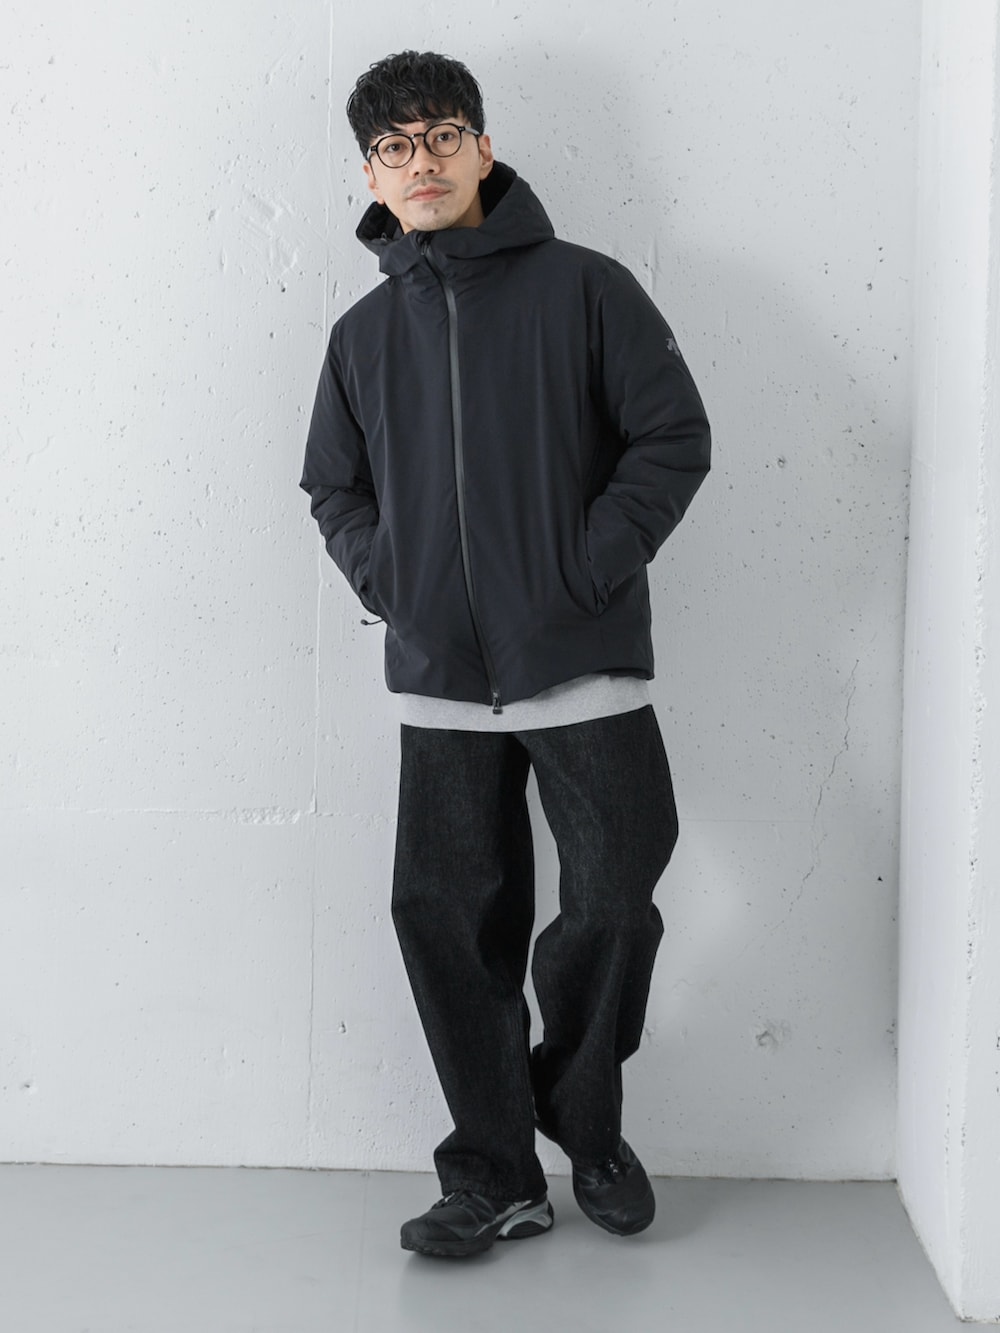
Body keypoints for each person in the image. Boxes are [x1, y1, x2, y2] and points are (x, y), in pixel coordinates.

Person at [300, 50, 711, 1259]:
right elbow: (334, 487)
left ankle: (583, 1115)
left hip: (581, 661)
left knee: (615, 896)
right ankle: (492, 1175)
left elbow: (671, 436)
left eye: (440, 136)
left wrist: (584, 569)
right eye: (392, 147)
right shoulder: (361, 334)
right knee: (446, 924)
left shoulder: (586, 288)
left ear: (481, 147)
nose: (418, 162)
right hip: (439, 681)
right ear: (370, 174)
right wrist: (394, 583)